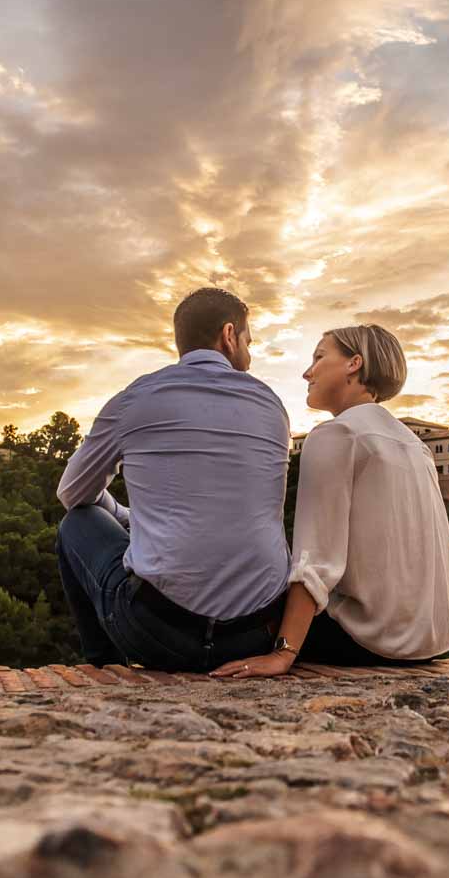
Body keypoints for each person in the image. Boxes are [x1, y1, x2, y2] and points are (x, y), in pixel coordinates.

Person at [54, 287, 291, 671]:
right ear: (229, 335)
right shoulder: (271, 405)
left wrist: (122, 514)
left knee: (76, 523)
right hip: (256, 636)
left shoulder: (136, 397)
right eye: (249, 340)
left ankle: (104, 666)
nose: (249, 351)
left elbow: (72, 493)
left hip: (157, 635)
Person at [212, 324, 449, 679]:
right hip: (426, 642)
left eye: (319, 357)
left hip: (367, 641)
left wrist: (284, 653)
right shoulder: (413, 445)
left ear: (354, 364)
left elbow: (315, 559)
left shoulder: (337, 434)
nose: (307, 371)